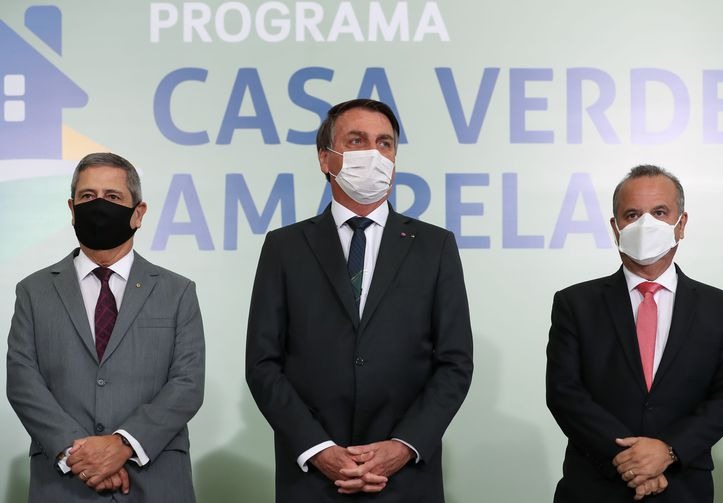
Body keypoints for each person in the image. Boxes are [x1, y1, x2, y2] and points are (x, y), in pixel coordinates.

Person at [246, 98, 474, 502]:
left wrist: (403, 446)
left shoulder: (434, 246)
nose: (374, 154)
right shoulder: (284, 247)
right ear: (325, 158)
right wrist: (318, 449)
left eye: (385, 143)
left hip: (406, 479)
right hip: (313, 480)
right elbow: (263, 364)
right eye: (356, 141)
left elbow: (455, 363)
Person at [6, 152, 205, 502]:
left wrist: (122, 445)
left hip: (155, 483)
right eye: (87, 196)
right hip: (64, 484)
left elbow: (187, 384)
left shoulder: (178, 292)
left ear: (138, 213)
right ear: (72, 209)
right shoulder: (33, 291)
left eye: (112, 197)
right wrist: (80, 456)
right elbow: (23, 382)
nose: (99, 206)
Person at [546, 165, 723, 502]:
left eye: (659, 212)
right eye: (633, 214)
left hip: (683, 489)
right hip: (594, 488)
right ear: (616, 227)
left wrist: (668, 451)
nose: (645, 224)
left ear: (681, 224)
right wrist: (632, 462)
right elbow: (564, 393)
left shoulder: (721, 309)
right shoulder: (575, 304)